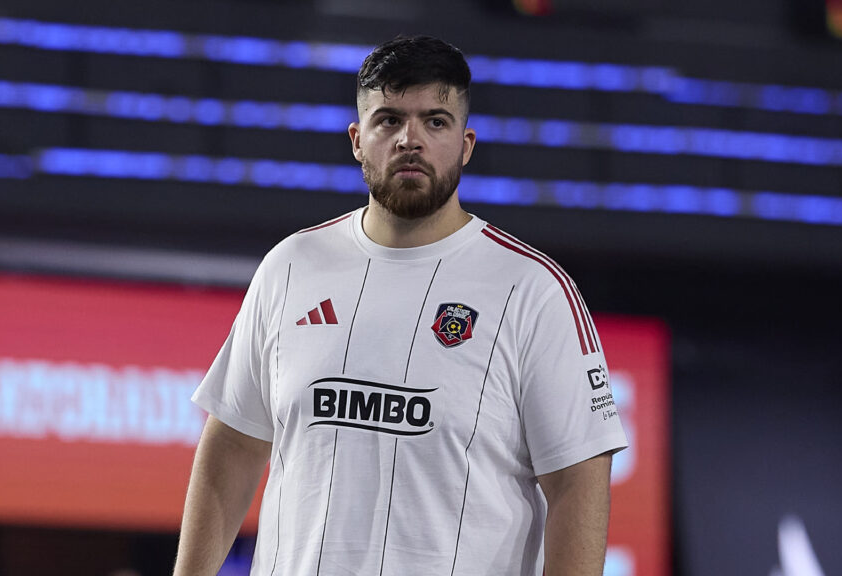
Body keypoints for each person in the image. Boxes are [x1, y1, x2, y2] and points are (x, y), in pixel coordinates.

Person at [174, 35, 627, 576]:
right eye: (389, 120)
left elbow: (578, 479)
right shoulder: (290, 267)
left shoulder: (534, 292)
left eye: (435, 121)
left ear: (466, 144)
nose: (410, 139)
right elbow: (232, 444)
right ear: (357, 139)